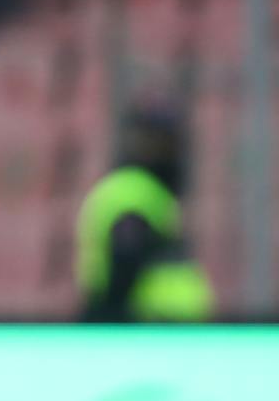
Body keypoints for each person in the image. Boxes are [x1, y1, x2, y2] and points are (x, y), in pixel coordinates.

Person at [77, 108, 214, 322]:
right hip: (148, 329)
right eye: (163, 143)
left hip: (158, 330)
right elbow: (125, 259)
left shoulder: (148, 191)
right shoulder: (134, 192)